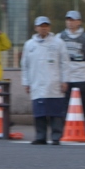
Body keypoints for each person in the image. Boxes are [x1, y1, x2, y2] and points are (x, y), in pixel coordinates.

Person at [21, 17, 69, 145]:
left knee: (55, 112)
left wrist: (65, 81)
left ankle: (56, 136)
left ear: (50, 27)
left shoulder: (58, 43)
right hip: (36, 83)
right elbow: (25, 65)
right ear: (36, 28)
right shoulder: (29, 45)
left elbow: (64, 63)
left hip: (54, 83)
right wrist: (26, 82)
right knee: (39, 112)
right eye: (41, 26)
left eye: (46, 25)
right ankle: (40, 136)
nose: (44, 28)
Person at [60, 10, 85, 119]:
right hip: (65, 78)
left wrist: (84, 67)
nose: (70, 22)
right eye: (68, 20)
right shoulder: (60, 37)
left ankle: (82, 129)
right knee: (65, 107)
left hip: (81, 77)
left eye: (72, 20)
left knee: (81, 106)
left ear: (79, 22)